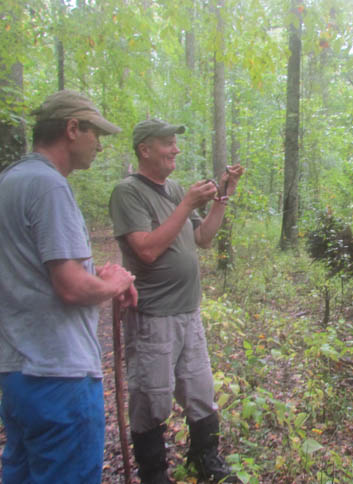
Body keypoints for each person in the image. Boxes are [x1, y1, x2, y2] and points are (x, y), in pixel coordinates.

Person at [0, 90, 138, 484]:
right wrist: (114, 282)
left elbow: (35, 272)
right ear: (72, 129)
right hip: (56, 373)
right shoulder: (50, 187)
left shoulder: (6, 182)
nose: (99, 145)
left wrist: (96, 280)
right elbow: (69, 287)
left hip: (17, 372)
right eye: (95, 133)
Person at [109, 119, 244, 484]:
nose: (176, 149)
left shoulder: (175, 190)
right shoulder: (129, 192)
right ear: (145, 149)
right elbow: (147, 250)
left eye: (175, 142)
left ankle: (205, 461)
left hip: (189, 313)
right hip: (153, 316)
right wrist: (186, 203)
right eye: (168, 143)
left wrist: (222, 196)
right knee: (152, 400)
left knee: (201, 394)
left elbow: (203, 237)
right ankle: (153, 474)